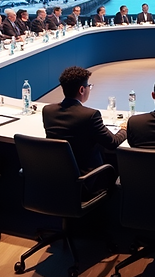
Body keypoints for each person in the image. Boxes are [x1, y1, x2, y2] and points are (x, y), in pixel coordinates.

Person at [42, 66, 127, 197]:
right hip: (87, 182)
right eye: (89, 86)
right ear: (82, 89)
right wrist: (124, 129)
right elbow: (112, 142)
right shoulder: (90, 115)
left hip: (56, 180)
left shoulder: (48, 111)